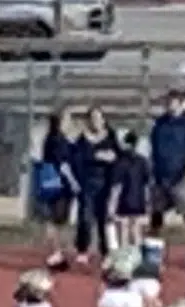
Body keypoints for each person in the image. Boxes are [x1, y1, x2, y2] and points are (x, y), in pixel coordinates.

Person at [147, 91, 185, 251]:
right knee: (156, 217)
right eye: (167, 102)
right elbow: (153, 148)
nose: (168, 105)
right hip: (160, 178)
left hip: (180, 177)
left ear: (180, 103)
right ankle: (153, 253)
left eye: (172, 102)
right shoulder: (160, 123)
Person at [70, 107, 118, 266]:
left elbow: (115, 157)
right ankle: (82, 250)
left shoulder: (111, 136)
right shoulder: (82, 139)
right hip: (87, 184)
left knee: (104, 219)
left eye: (99, 118)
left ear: (103, 120)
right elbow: (78, 159)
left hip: (105, 183)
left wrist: (108, 158)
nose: (96, 121)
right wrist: (97, 156)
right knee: (85, 217)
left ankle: (106, 252)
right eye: (92, 118)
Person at [31, 112, 76, 268]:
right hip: (60, 185)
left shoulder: (50, 139)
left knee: (55, 220)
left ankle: (56, 252)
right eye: (67, 120)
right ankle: (56, 253)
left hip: (52, 183)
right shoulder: (59, 141)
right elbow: (63, 165)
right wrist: (74, 183)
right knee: (57, 221)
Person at [108, 128, 152, 255]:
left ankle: (124, 257)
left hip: (124, 201)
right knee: (136, 230)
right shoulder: (143, 161)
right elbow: (147, 185)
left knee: (124, 229)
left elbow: (116, 187)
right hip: (138, 200)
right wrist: (148, 203)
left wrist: (111, 206)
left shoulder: (119, 162)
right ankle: (137, 257)